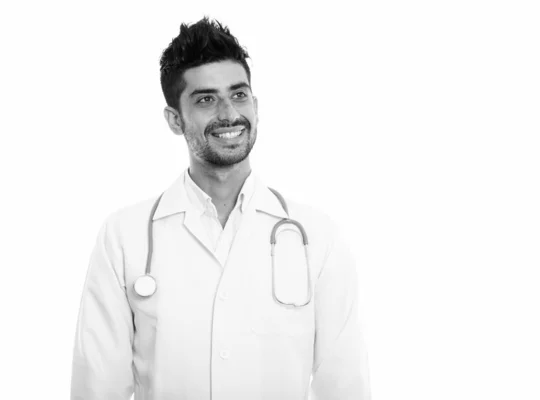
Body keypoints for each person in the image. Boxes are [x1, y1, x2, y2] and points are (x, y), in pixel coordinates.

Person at [70, 17, 371, 400]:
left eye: (239, 94)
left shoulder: (318, 236)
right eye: (206, 99)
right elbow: (98, 385)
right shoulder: (124, 238)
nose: (229, 114)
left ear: (256, 106)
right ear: (175, 120)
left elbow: (344, 383)